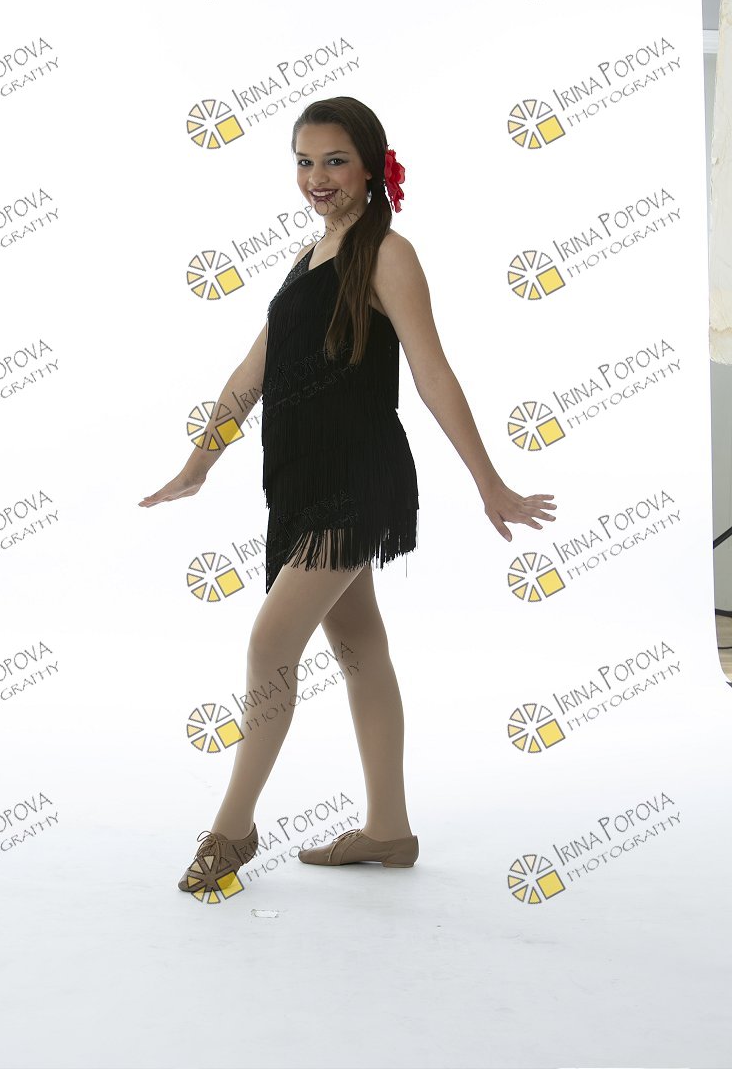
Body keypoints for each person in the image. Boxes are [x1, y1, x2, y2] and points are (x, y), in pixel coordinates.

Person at [139, 96, 557, 897]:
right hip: (300, 480)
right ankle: (389, 830)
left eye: (334, 160)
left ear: (371, 166)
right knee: (360, 648)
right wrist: (199, 464)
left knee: (270, 645)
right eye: (304, 161)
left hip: (358, 477)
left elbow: (432, 373)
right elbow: (251, 372)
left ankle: (232, 830)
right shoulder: (309, 255)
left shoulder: (388, 254)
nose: (316, 177)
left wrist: (489, 482)